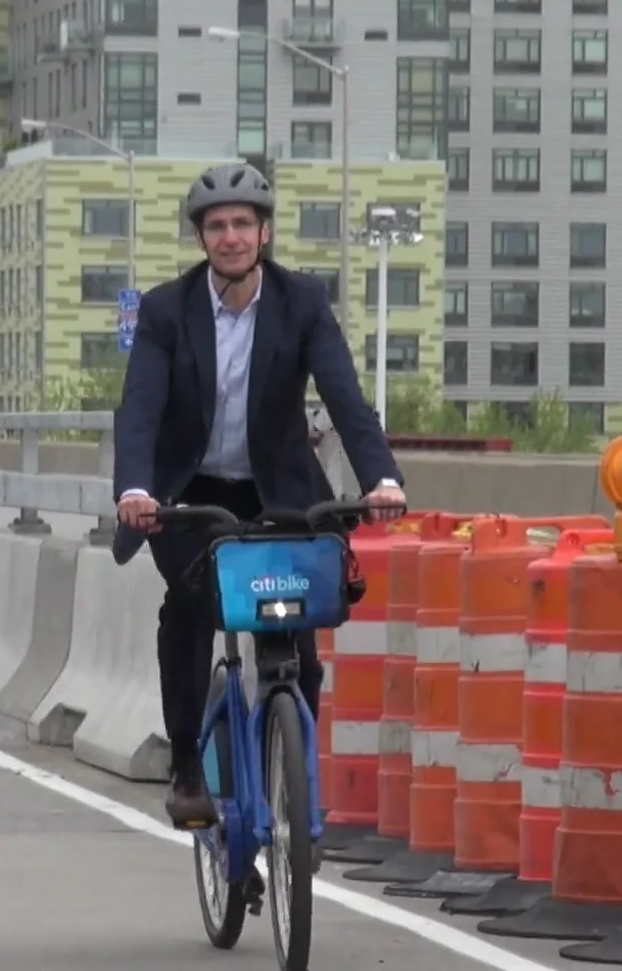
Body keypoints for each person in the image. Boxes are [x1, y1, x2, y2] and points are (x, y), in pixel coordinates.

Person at [113, 161, 407, 829]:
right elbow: (139, 411)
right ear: (201, 239)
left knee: (296, 636)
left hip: (279, 489)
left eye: (243, 224)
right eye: (216, 226)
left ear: (264, 232)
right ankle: (188, 762)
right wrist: (135, 488)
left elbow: (345, 397)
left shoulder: (301, 302)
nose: (231, 237)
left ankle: (291, 775)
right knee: (188, 612)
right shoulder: (167, 310)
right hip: (191, 496)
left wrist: (380, 479)